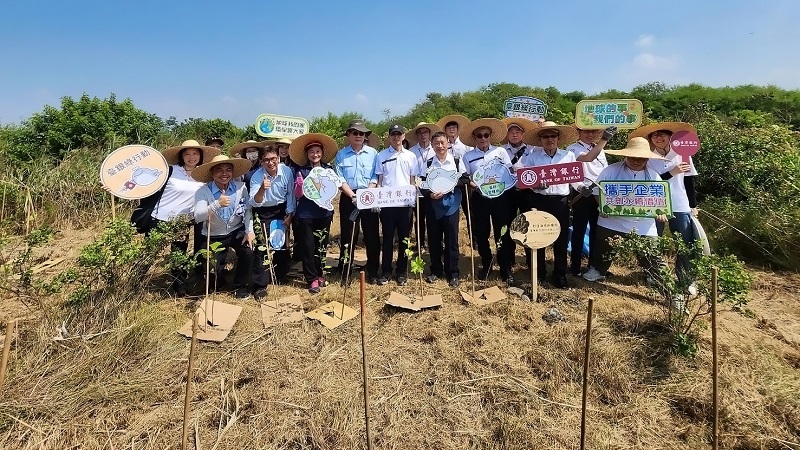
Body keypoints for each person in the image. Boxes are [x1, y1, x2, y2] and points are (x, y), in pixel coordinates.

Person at [582, 137, 669, 282]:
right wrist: (603, 206)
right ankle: (597, 270)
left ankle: (656, 276)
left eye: (640, 159)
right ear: (625, 156)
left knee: (651, 252)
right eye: (632, 157)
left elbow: (659, 199)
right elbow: (597, 191)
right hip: (611, 220)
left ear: (647, 159)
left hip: (643, 223)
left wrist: (660, 212)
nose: (636, 161)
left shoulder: (653, 176)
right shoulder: (611, 170)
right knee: (603, 246)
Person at [631, 122, 699, 288]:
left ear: (670, 137)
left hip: (680, 204)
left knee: (684, 243)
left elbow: (689, 181)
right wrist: (672, 172)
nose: (658, 138)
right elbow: (648, 182)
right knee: (652, 240)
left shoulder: (682, 154)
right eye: (654, 135)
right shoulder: (649, 158)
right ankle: (653, 275)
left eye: (662, 134)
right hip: (655, 205)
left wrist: (693, 206)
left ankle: (686, 280)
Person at [153, 139, 220, 296]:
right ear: (181, 156)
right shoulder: (170, 171)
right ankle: (177, 285)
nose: (192, 157)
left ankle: (195, 280)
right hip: (170, 218)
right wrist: (116, 186)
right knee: (176, 251)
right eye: (187, 154)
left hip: (195, 216)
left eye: (195, 153)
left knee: (198, 249)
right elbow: (145, 182)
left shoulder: (203, 173)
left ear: (200, 156)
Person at [519, 122, 580, 288]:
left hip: (561, 202)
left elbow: (575, 179)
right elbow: (526, 179)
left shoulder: (568, 156)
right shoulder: (533, 157)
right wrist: (535, 185)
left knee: (561, 239)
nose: (549, 139)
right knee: (539, 237)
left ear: (558, 138)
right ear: (540, 139)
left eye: (553, 136)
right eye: (545, 136)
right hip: (539, 200)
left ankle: (560, 274)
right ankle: (539, 272)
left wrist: (582, 188)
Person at [290, 133, 352, 293]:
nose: (315, 154)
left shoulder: (328, 170)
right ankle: (311, 279)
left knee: (321, 246)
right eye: (311, 152)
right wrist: (299, 186)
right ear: (307, 154)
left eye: (318, 151)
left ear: (322, 153)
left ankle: (319, 274)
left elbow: (335, 188)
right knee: (308, 247)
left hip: (324, 214)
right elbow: (297, 195)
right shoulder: (301, 170)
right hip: (305, 215)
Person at [193, 155, 259, 298]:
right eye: (219, 170)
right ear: (212, 173)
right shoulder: (203, 191)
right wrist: (217, 204)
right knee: (212, 269)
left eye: (228, 170)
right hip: (213, 234)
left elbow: (247, 209)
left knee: (248, 252)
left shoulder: (241, 188)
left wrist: (249, 230)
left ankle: (240, 287)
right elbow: (198, 216)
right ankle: (219, 279)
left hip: (236, 231)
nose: (224, 173)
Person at [461, 118, 515, 284]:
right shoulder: (468, 156)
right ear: (474, 138)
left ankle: (505, 267)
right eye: (479, 135)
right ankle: (486, 264)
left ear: (490, 136)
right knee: (482, 233)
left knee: (502, 232)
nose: (483, 138)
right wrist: (474, 186)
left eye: (486, 135)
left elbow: (510, 172)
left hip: (501, 198)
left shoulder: (500, 152)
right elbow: (464, 177)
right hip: (480, 198)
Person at [333, 119, 381, 283]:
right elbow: (339, 178)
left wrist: (368, 192)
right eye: (355, 133)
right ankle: (345, 271)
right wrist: (352, 195)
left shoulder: (373, 154)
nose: (359, 136)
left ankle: (373, 271)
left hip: (368, 195)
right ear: (349, 135)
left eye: (362, 133)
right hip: (349, 197)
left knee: (372, 235)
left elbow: (376, 175)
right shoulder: (341, 155)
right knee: (348, 235)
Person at [419, 131, 469, 287]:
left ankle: (452, 272)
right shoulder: (428, 163)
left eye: (442, 142)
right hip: (432, 205)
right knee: (433, 239)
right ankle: (436, 270)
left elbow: (465, 179)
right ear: (432, 145)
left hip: (451, 204)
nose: (440, 146)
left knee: (451, 239)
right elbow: (421, 183)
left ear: (448, 143)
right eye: (436, 143)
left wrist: (450, 183)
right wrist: (430, 194)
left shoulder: (456, 161)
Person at [566, 125, 617, 276]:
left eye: (593, 131)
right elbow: (588, 158)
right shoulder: (573, 148)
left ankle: (594, 266)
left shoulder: (599, 148)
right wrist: (605, 139)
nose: (590, 134)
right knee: (579, 229)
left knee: (598, 231)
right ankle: (575, 266)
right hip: (583, 193)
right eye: (586, 131)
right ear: (579, 132)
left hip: (599, 194)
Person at [372, 123, 419, 286]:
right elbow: (379, 180)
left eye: (399, 134)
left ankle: (401, 272)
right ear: (389, 136)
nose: (396, 137)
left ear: (403, 136)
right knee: (387, 239)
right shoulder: (381, 156)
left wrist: (413, 198)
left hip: (405, 205)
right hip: (388, 204)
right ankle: (386, 271)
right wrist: (377, 200)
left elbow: (413, 179)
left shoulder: (411, 156)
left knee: (404, 239)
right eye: (393, 134)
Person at [249, 145, 295, 293]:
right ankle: (260, 285)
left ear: (278, 158)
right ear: (261, 161)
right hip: (264, 211)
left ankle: (280, 274)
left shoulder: (286, 171)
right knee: (262, 246)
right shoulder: (257, 176)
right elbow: (254, 201)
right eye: (266, 160)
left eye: (273, 158)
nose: (270, 162)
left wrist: (290, 214)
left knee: (281, 243)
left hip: (282, 209)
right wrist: (262, 188)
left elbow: (290, 193)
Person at [502, 117, 540, 269]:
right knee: (508, 224)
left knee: (528, 224)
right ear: (507, 135)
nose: (514, 134)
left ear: (523, 133)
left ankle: (531, 260)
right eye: (511, 132)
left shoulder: (532, 149)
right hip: (508, 192)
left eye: (517, 131)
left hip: (528, 192)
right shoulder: (501, 151)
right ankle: (508, 258)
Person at [436, 114, 473, 240]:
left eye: (454, 127)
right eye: (449, 127)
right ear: (445, 130)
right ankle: (450, 239)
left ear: (458, 129)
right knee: (449, 212)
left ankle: (474, 239)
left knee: (470, 212)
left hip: (463, 181)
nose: (452, 129)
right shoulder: (442, 145)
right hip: (447, 184)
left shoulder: (465, 144)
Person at [407, 122, 442, 251]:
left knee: (434, 216)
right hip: (417, 186)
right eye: (420, 133)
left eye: (425, 132)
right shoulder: (411, 151)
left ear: (429, 134)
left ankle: (436, 243)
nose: (423, 135)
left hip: (434, 186)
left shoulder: (435, 149)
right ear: (417, 135)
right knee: (419, 217)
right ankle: (420, 243)